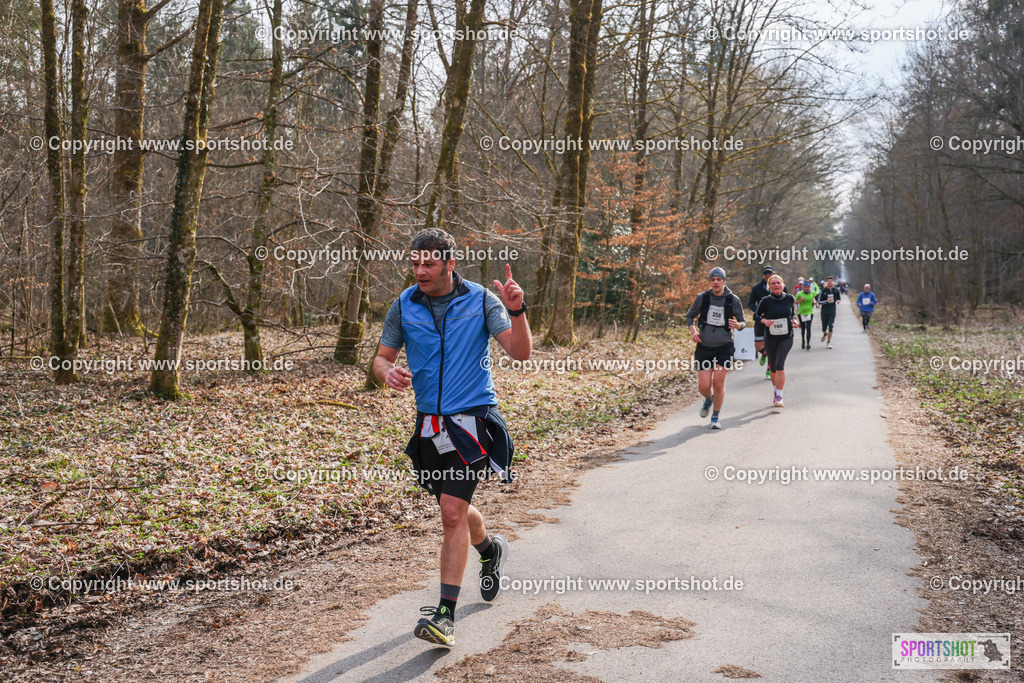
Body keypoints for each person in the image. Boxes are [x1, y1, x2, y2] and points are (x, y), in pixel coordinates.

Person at [373, 228, 532, 647]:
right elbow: (381, 357)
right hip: (429, 425)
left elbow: (519, 352)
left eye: (428, 263)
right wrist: (387, 372)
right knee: (455, 510)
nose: (420, 271)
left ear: (449, 263)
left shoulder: (481, 300)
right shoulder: (404, 304)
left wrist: (518, 311)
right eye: (415, 263)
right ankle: (490, 550)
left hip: (472, 422)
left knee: (450, 512)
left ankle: (445, 616)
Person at [686, 267, 745, 429]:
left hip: (724, 347)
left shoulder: (733, 299)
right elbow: (690, 316)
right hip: (704, 347)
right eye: (713, 279)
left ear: (724, 281)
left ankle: (715, 417)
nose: (716, 282)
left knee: (718, 383)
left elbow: (743, 323)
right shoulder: (702, 298)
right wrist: (693, 331)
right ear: (710, 282)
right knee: (704, 386)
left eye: (719, 279)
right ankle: (708, 399)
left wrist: (737, 325)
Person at [754, 274, 800, 408]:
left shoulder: (789, 298)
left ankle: (779, 395)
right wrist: (764, 321)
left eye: (778, 283)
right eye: (773, 283)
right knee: (773, 367)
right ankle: (775, 391)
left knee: (780, 365)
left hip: (786, 337)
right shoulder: (765, 301)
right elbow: (756, 316)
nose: (776, 285)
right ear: (769, 287)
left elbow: (792, 313)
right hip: (770, 338)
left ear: (782, 284)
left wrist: (794, 320)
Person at [748, 266, 776, 380]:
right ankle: (764, 354)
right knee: (758, 345)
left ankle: (769, 369)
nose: (768, 275)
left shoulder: (778, 285)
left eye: (770, 273)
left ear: (773, 273)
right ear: (763, 274)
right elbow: (751, 303)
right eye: (766, 273)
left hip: (773, 320)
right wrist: (758, 311)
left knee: (771, 345)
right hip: (760, 319)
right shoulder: (757, 288)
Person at [817, 276, 841, 349]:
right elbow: (819, 301)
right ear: (826, 282)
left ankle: (828, 342)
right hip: (824, 310)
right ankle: (825, 333)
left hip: (832, 310)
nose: (830, 282)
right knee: (824, 327)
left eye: (831, 281)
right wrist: (826, 301)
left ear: (833, 282)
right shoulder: (823, 291)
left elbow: (839, 298)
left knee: (830, 326)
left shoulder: (835, 290)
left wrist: (838, 301)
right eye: (828, 281)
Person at [794, 281, 815, 350]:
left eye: (807, 287)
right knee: (803, 328)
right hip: (801, 313)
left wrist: (814, 302)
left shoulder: (812, 293)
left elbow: (813, 299)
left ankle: (808, 343)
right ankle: (803, 341)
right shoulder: (800, 294)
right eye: (805, 287)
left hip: (809, 312)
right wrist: (800, 300)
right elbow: (795, 302)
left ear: (809, 287)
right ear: (803, 287)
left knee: (808, 328)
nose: (806, 288)